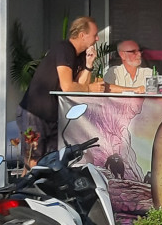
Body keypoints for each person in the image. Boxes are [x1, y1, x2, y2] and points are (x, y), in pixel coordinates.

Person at [20, 15, 105, 157]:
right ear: (82, 35)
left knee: (52, 162)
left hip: (54, 116)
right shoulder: (65, 49)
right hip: (35, 114)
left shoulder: (81, 55)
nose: (97, 39)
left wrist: (89, 65)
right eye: (95, 35)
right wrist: (91, 88)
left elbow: (78, 88)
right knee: (33, 163)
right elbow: (67, 87)